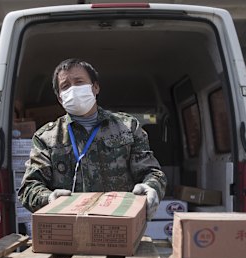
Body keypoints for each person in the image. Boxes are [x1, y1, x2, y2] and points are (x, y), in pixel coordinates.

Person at [18, 58, 166, 219]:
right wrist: (48, 198)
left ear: (95, 87)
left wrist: (152, 188)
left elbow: (151, 172)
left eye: (79, 82)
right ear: (60, 99)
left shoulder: (128, 127)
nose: (73, 89)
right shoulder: (46, 138)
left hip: (119, 223)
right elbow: (29, 187)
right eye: (65, 86)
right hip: (68, 227)